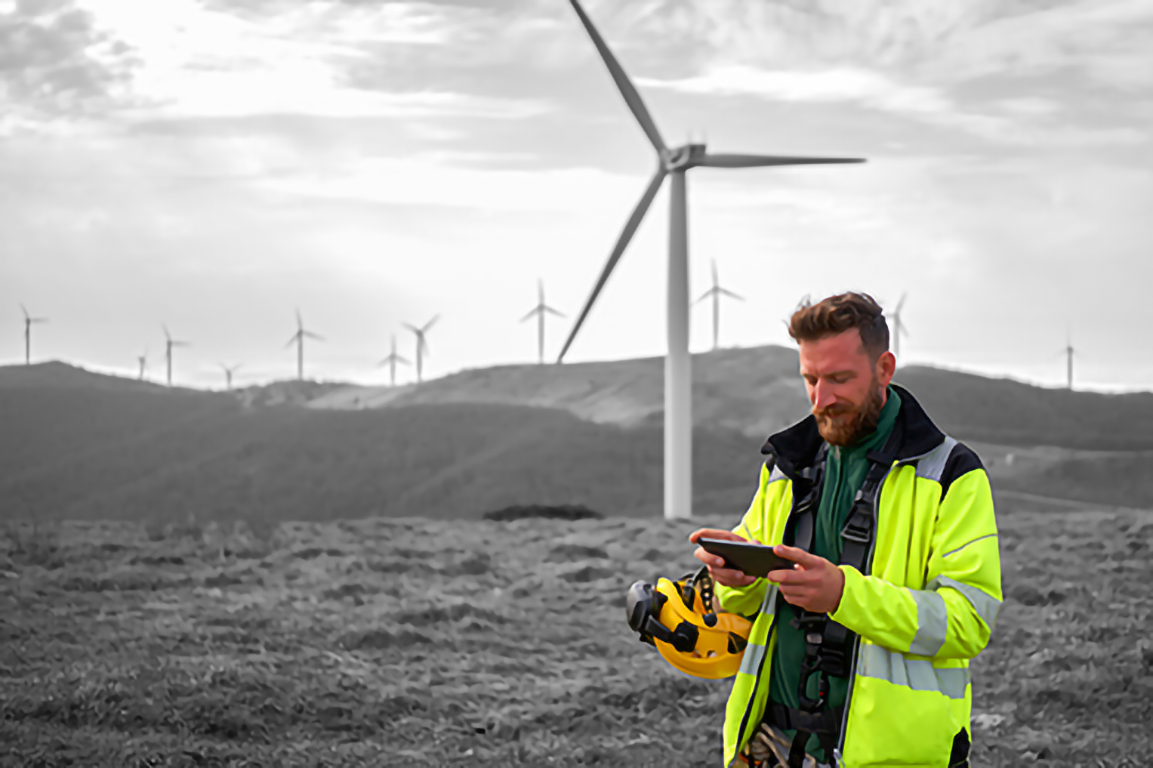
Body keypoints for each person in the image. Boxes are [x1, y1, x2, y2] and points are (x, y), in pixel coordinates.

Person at [690, 292, 1002, 768]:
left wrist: (842, 595)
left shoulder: (951, 474)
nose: (822, 398)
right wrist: (737, 579)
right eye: (810, 379)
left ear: (884, 368)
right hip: (769, 742)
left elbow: (968, 622)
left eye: (839, 379)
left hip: (888, 755)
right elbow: (747, 607)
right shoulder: (786, 466)